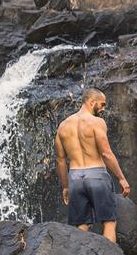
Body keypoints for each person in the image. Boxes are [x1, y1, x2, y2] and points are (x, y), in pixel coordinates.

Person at [55, 87, 130, 243]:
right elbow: (106, 153)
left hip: (75, 177)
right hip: (97, 175)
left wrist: (65, 186)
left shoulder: (63, 126)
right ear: (91, 102)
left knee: (82, 225)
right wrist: (121, 178)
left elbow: (61, 160)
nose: (103, 109)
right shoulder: (96, 122)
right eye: (102, 104)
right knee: (109, 222)